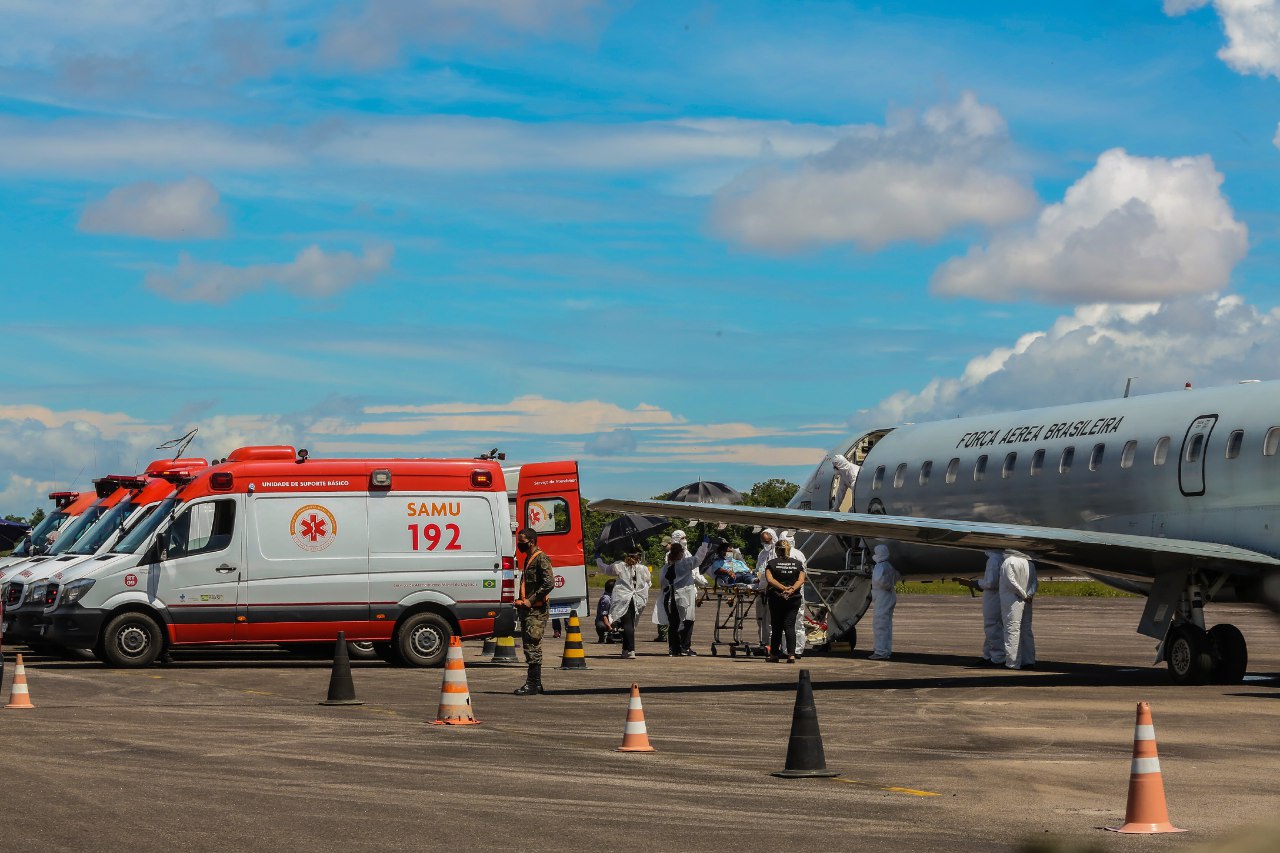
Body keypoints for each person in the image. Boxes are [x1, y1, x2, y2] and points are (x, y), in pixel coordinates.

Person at [513, 527, 555, 696]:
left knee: (533, 645)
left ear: (531, 542)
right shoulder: (529, 558)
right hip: (528, 609)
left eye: (522, 542)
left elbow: (549, 583)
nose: (519, 545)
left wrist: (531, 600)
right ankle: (536, 683)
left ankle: (532, 684)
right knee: (529, 645)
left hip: (536, 610)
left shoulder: (541, 558)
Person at [596, 547, 651, 659]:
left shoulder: (620, 566)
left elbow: (606, 569)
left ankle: (630, 650)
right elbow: (648, 582)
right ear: (639, 557)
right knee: (630, 623)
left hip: (624, 598)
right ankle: (625, 649)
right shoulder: (643, 568)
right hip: (638, 598)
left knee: (627, 624)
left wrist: (598, 560)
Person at [660, 538, 708, 656]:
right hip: (685, 597)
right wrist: (704, 544)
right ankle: (685, 647)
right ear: (681, 553)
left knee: (673, 623)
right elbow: (699, 558)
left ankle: (673, 648)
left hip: (671, 596)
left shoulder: (666, 568)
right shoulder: (685, 564)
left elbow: (663, 582)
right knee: (688, 621)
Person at [764, 538, 806, 663]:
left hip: (776, 597)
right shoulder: (798, 564)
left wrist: (783, 588)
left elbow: (770, 580)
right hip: (793, 598)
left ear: (777, 550)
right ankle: (791, 655)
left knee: (776, 627)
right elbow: (801, 580)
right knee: (790, 626)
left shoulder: (771, 563)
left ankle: (774, 655)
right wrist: (791, 589)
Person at [999, 549, 1037, 670]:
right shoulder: (1029, 563)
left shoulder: (1008, 562)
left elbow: (1011, 581)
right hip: (1027, 600)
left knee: (1012, 630)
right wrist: (1029, 594)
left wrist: (1023, 594)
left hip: (1012, 600)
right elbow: (1034, 582)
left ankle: (1012, 662)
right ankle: (1029, 660)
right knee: (1026, 630)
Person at [778, 531, 808, 657]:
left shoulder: (778, 555)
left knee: (784, 621)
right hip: (797, 591)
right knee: (798, 622)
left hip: (782, 590)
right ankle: (798, 650)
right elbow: (804, 573)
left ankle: (786, 650)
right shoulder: (800, 554)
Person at [868, 544, 900, 660]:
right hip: (890, 595)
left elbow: (880, 581)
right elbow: (897, 575)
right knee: (886, 624)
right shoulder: (889, 565)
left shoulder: (879, 566)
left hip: (882, 596)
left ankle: (880, 651)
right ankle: (886, 650)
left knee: (880, 623)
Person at [755, 528, 778, 651]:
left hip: (772, 590)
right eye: (763, 542)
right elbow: (759, 568)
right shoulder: (762, 553)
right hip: (761, 589)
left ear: (773, 539)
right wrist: (757, 576)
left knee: (770, 619)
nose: (765, 544)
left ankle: (772, 644)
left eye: (767, 542)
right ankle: (762, 643)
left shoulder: (777, 553)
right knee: (760, 618)